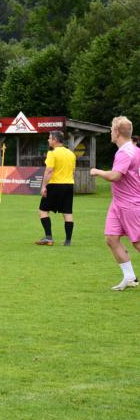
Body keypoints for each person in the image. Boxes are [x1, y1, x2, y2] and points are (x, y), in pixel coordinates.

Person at [90, 117, 140, 290]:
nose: (111, 133)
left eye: (112, 130)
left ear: (117, 132)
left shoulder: (125, 153)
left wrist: (97, 171)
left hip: (130, 204)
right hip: (118, 202)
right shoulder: (134, 150)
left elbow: (114, 176)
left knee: (137, 242)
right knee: (111, 239)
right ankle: (130, 277)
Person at [36, 130, 76, 246]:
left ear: (55, 140)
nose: (48, 140)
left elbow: (49, 170)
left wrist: (44, 186)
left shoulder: (52, 153)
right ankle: (68, 241)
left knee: (43, 210)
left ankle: (48, 237)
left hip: (55, 185)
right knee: (67, 212)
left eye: (49, 138)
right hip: (69, 185)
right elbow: (73, 172)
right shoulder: (71, 154)